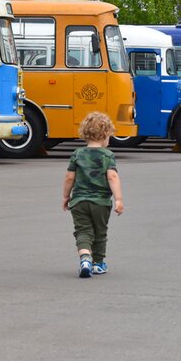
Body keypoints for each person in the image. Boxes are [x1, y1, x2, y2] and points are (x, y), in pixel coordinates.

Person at [62, 111, 125, 277]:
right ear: (105, 135)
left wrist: (65, 196)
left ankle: (85, 258)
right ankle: (98, 263)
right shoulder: (108, 155)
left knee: (83, 231)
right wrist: (118, 199)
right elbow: (112, 176)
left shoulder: (78, 154)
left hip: (79, 201)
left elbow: (69, 178)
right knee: (100, 232)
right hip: (101, 202)